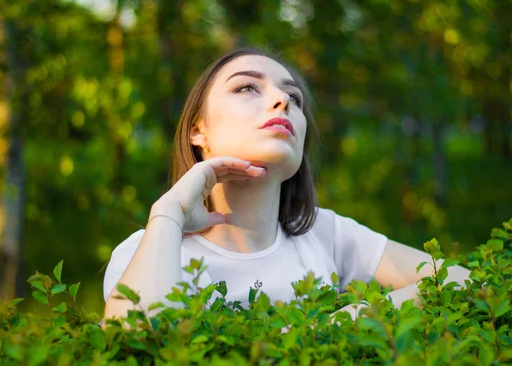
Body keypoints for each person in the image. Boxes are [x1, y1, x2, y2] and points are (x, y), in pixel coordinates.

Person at [101, 47, 470, 329]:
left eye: (294, 98)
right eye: (247, 87)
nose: (283, 101)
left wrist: (339, 322)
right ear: (199, 130)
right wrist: (169, 214)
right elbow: (133, 340)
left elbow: (456, 280)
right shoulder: (149, 250)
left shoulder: (327, 235)